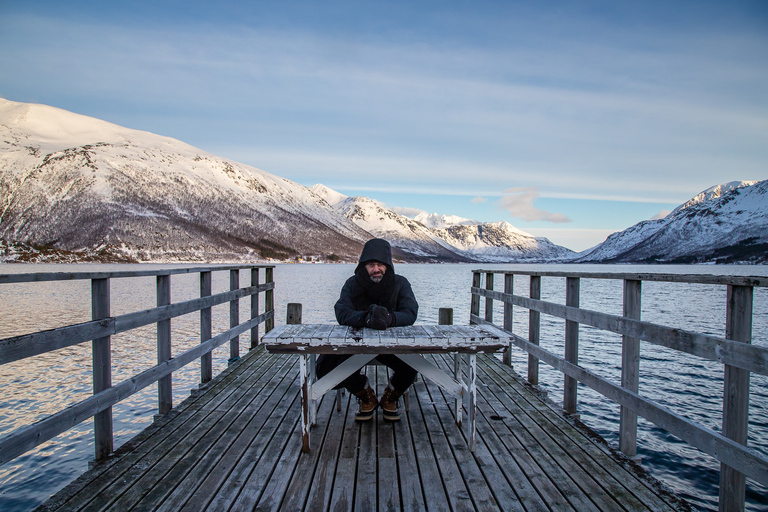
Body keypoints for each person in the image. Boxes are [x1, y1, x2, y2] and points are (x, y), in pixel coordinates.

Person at [316, 238, 419, 422]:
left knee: (413, 365)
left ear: (388, 265)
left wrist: (390, 318)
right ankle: (365, 393)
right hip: (357, 347)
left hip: (392, 347)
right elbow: (341, 311)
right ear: (363, 266)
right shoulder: (351, 284)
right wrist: (365, 318)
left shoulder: (401, 284)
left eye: (380, 264)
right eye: (371, 264)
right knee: (333, 367)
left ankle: (392, 395)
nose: (376, 269)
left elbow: (410, 312)